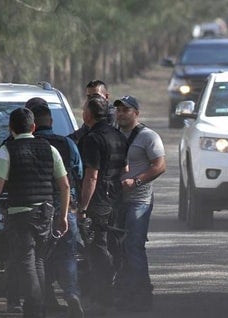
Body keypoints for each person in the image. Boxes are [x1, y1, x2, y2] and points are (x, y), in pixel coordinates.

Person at [0, 107, 70, 318]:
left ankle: (35, 310)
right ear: (33, 127)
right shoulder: (50, 149)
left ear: (11, 128)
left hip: (20, 216)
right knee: (38, 261)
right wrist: (63, 216)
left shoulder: (7, 150)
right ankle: (36, 309)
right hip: (46, 214)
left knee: (27, 261)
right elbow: (64, 185)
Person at [27, 98, 84, 318]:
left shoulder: (20, 145)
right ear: (51, 120)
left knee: (38, 257)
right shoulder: (67, 143)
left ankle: (43, 299)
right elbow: (78, 173)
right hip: (65, 209)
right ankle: (72, 294)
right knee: (67, 255)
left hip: (35, 210)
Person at [114, 95, 165, 312]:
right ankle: (124, 293)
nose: (121, 113)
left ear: (136, 113)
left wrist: (135, 181)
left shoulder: (148, 136)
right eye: (118, 110)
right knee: (120, 248)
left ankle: (143, 295)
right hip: (116, 201)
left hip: (139, 200)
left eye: (126, 110)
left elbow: (160, 166)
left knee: (133, 246)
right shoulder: (113, 135)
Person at [77, 96, 127, 314]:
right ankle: (110, 296)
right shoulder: (118, 135)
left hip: (97, 201)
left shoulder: (92, 139)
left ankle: (103, 299)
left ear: (88, 114)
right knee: (109, 248)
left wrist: (83, 207)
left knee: (97, 251)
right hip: (116, 198)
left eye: (83, 109)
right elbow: (125, 169)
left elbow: (91, 176)